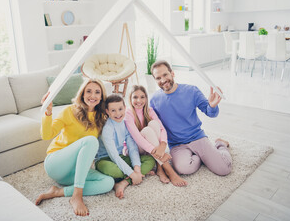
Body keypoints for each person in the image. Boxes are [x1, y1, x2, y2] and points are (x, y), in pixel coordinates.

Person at [35, 79, 115, 217]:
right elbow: (47, 135)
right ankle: (77, 196)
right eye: (88, 91)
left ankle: (58, 192)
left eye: (97, 92)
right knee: (90, 141)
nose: (92, 95)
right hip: (56, 163)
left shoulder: (101, 117)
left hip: (75, 172)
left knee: (108, 183)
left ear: (101, 97)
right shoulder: (69, 110)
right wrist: (48, 113)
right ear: (82, 94)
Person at [149, 60, 232, 176]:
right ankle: (202, 156)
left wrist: (212, 106)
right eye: (158, 78)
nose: (163, 80)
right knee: (183, 169)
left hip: (197, 138)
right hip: (177, 145)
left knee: (224, 169)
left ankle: (220, 144)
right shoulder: (153, 100)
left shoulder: (191, 91)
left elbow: (211, 113)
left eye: (165, 75)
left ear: (172, 73)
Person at [125, 85, 188, 187]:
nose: (139, 100)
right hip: (134, 149)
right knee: (147, 130)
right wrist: (161, 154)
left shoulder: (149, 110)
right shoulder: (128, 114)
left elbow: (162, 128)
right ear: (130, 98)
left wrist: (163, 145)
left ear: (146, 98)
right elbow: (137, 138)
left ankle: (159, 168)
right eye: (135, 97)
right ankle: (169, 170)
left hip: (149, 148)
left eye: (142, 97)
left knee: (154, 124)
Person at [96, 94, 155, 199]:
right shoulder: (107, 129)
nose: (118, 113)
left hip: (120, 156)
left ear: (125, 108)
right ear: (107, 112)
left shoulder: (125, 123)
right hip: (105, 160)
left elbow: (132, 148)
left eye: (120, 109)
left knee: (150, 160)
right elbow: (113, 156)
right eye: (113, 110)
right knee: (116, 171)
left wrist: (136, 168)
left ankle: (123, 182)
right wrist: (132, 174)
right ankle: (137, 175)